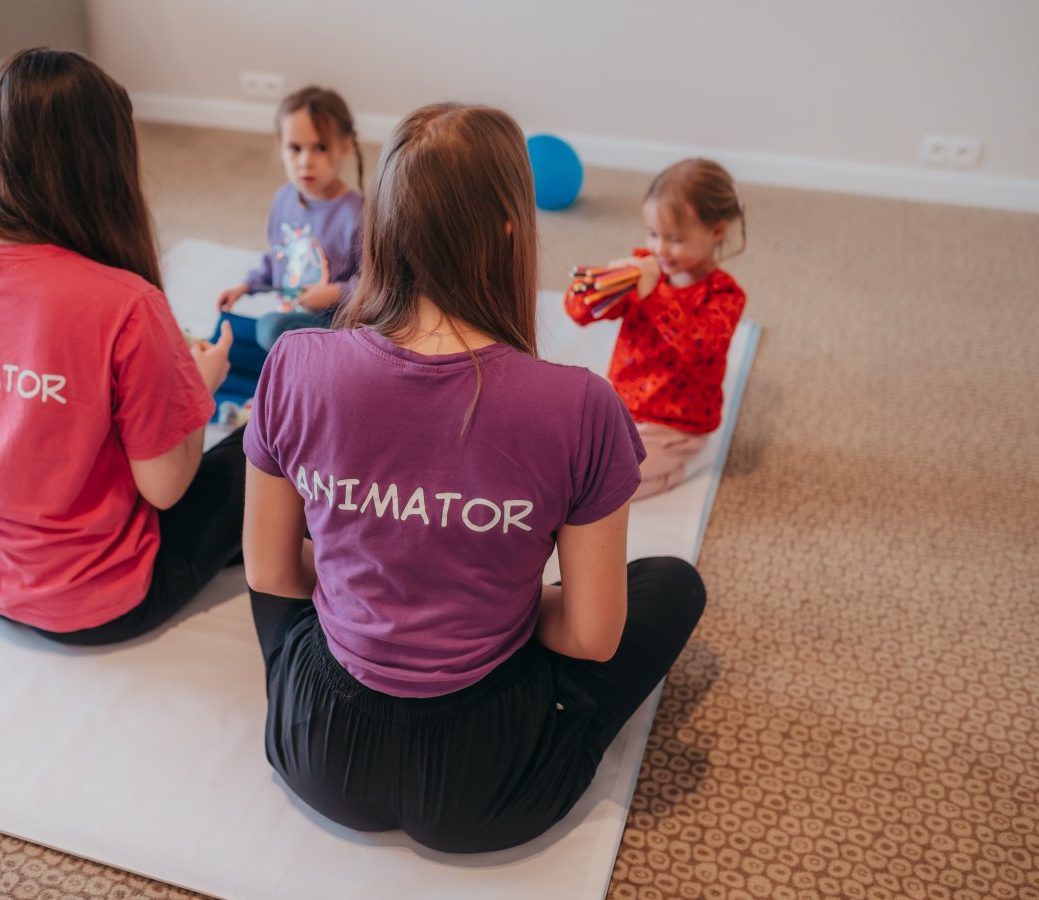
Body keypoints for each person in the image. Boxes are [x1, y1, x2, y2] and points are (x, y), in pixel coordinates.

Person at [241, 103, 707, 853]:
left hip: (318, 753)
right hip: (487, 786)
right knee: (672, 586)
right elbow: (590, 637)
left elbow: (269, 573)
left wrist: (378, 578)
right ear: (510, 231)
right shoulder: (580, 406)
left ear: (378, 226)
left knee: (273, 550)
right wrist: (484, 604)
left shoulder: (295, 362)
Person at [0, 48, 244, 645]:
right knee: (267, 442)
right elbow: (165, 488)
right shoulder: (126, 304)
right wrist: (201, 388)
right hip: (98, 601)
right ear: (105, 167)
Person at [598, 158, 748, 500]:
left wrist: (653, 294)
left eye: (675, 239)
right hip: (621, 405)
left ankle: (678, 469)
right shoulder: (646, 270)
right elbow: (579, 312)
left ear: (717, 232)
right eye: (653, 234)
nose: (659, 249)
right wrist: (604, 285)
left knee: (610, 487)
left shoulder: (724, 295)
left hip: (675, 427)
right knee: (567, 452)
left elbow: (697, 346)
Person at [215, 86, 364, 351]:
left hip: (337, 320)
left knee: (270, 328)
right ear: (281, 148)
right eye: (295, 148)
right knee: (225, 334)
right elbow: (278, 257)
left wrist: (336, 293)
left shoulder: (357, 214)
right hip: (291, 312)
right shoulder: (283, 198)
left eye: (320, 148)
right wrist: (246, 286)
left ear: (345, 145)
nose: (306, 161)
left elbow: (378, 285)